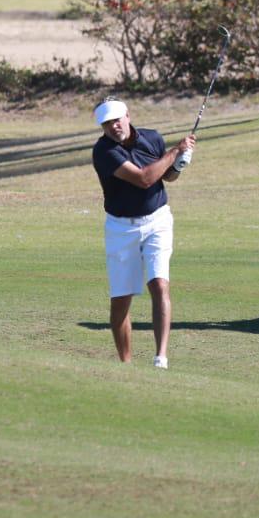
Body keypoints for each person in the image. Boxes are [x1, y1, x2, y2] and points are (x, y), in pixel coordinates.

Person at [91, 98, 196, 368]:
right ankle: (125, 364)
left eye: (117, 119)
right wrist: (174, 152)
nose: (114, 126)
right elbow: (144, 178)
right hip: (121, 228)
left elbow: (166, 177)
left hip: (157, 220)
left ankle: (161, 358)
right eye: (107, 123)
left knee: (159, 283)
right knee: (121, 301)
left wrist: (180, 163)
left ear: (128, 115)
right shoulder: (103, 151)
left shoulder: (152, 138)